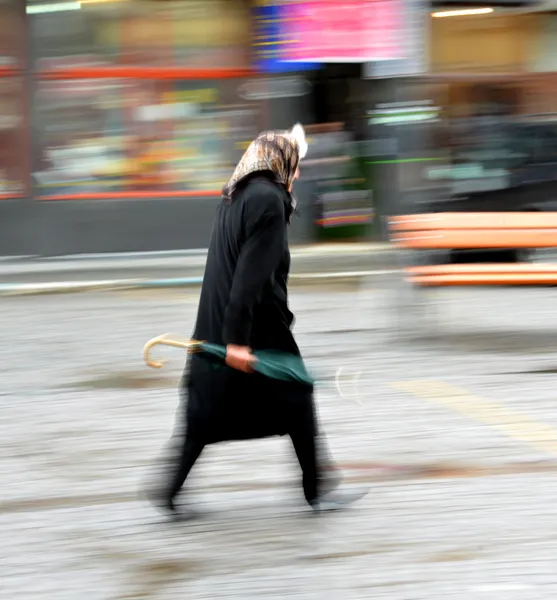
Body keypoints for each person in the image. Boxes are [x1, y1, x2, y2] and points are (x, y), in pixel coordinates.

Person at [148, 124, 367, 519]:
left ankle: (169, 489)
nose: (297, 174)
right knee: (295, 398)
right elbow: (251, 277)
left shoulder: (235, 196)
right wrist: (236, 341)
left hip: (217, 324)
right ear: (280, 163)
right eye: (295, 166)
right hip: (251, 327)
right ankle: (316, 492)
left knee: (205, 413)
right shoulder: (268, 200)